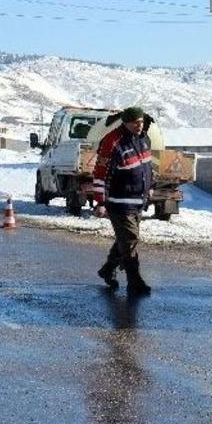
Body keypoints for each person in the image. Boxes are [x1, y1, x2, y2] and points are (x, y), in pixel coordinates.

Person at [92, 107, 154, 296]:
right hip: (118, 202)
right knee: (130, 241)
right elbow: (100, 173)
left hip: (137, 201)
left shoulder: (143, 139)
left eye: (141, 122)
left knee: (124, 240)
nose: (139, 125)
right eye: (135, 122)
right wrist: (100, 202)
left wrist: (151, 185)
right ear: (125, 123)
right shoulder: (112, 142)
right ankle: (134, 281)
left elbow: (147, 167)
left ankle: (108, 269)